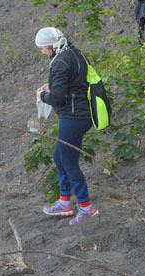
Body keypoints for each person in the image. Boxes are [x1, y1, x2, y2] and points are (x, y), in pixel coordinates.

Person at [35, 27, 99, 225]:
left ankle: (87, 207)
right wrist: (52, 84)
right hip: (81, 112)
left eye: (42, 48)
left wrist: (42, 96)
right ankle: (64, 202)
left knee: (69, 161)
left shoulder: (60, 62)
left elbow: (57, 97)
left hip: (74, 116)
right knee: (59, 156)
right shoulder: (73, 53)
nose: (42, 52)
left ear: (51, 46)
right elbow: (74, 82)